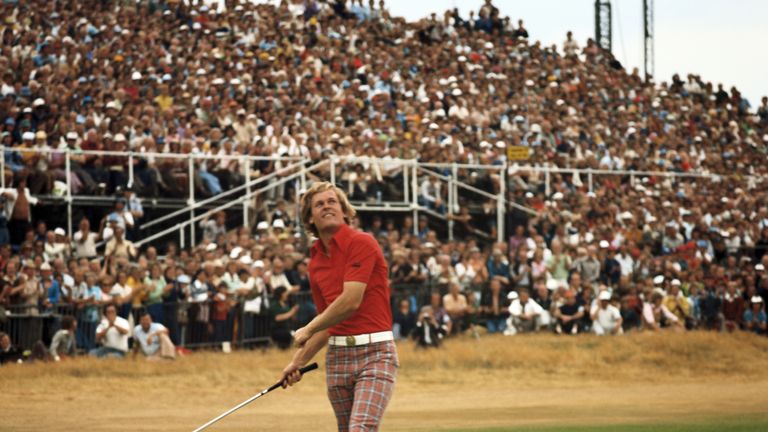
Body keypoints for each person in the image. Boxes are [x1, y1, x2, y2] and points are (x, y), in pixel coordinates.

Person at [280, 182, 398, 432]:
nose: (327, 206)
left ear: (344, 211)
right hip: (338, 357)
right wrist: (298, 361)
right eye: (319, 204)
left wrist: (307, 328)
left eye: (332, 201)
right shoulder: (315, 263)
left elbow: (350, 301)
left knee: (360, 428)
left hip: (376, 353)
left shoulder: (362, 242)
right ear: (310, 218)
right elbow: (328, 323)